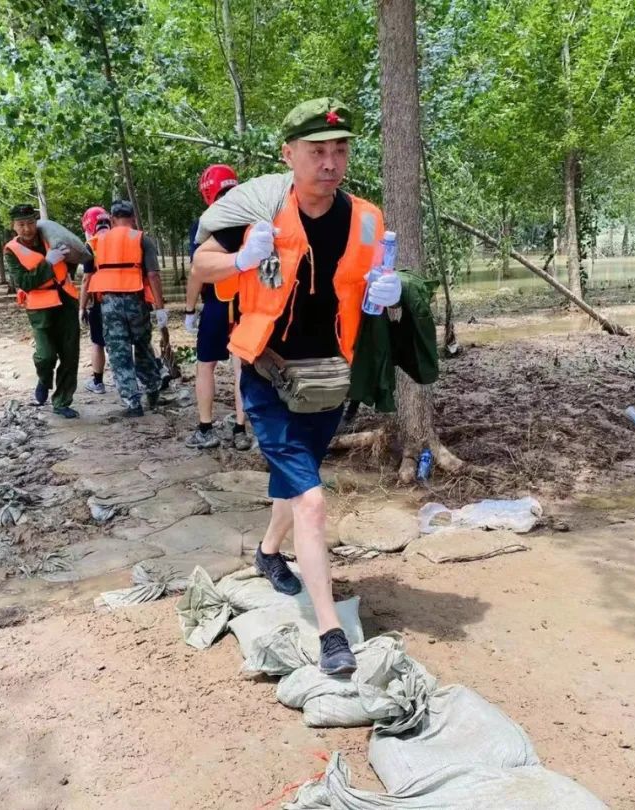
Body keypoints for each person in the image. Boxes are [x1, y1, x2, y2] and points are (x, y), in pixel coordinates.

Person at [193, 98, 402, 675]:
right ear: (289, 155)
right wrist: (242, 258)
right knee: (311, 499)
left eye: (340, 150)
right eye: (317, 152)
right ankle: (331, 632)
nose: (330, 163)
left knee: (296, 480)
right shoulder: (257, 209)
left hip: (331, 378)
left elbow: (374, 282)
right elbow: (201, 266)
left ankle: (267, 553)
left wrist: (390, 294)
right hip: (269, 373)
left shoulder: (366, 217)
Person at [185, 164, 251, 451]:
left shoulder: (206, 223)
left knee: (205, 366)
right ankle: (240, 430)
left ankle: (205, 429)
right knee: (241, 369)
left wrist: (189, 310)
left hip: (216, 304)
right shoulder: (251, 220)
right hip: (247, 305)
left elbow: (197, 271)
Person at [84, 199, 167, 418]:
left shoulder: (97, 242)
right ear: (134, 218)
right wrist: (160, 308)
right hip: (136, 301)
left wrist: (83, 306)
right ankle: (152, 391)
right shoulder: (142, 239)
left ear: (112, 219)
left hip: (109, 303)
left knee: (119, 351)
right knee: (142, 346)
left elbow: (88, 275)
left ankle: (132, 403)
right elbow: (153, 275)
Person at [3, 203, 81, 418]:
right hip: (39, 307)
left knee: (70, 355)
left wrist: (67, 259)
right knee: (46, 355)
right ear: (13, 226)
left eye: (30, 223)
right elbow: (24, 282)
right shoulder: (11, 251)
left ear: (36, 222)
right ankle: (44, 379)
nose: (27, 229)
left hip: (66, 301)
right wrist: (47, 264)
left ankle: (62, 401)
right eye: (21, 224)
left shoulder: (51, 237)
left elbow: (71, 263)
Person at [79, 205, 111, 394]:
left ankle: (98, 382)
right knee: (138, 339)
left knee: (98, 342)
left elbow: (86, 279)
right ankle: (156, 371)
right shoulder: (124, 239)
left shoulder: (92, 244)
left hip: (102, 300)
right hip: (131, 296)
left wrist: (82, 307)